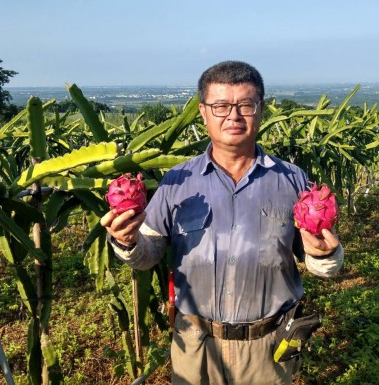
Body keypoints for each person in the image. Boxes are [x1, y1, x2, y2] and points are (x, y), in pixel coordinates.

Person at [101, 60, 343, 385]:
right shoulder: (176, 180)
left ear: (262, 109)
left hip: (268, 348)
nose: (233, 115)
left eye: (245, 104)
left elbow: (317, 260)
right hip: (195, 346)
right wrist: (127, 242)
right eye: (220, 106)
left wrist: (325, 254)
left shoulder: (291, 179)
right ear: (203, 112)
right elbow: (148, 255)